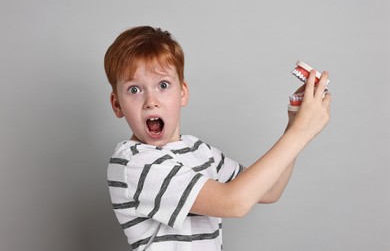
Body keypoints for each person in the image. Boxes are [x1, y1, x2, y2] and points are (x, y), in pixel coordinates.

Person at [104, 26, 331, 250]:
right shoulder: (133, 163)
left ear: (182, 93)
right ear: (117, 104)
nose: (151, 101)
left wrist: (293, 123)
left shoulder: (199, 150)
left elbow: (269, 191)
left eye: (163, 85)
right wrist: (302, 131)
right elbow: (234, 202)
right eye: (135, 90)